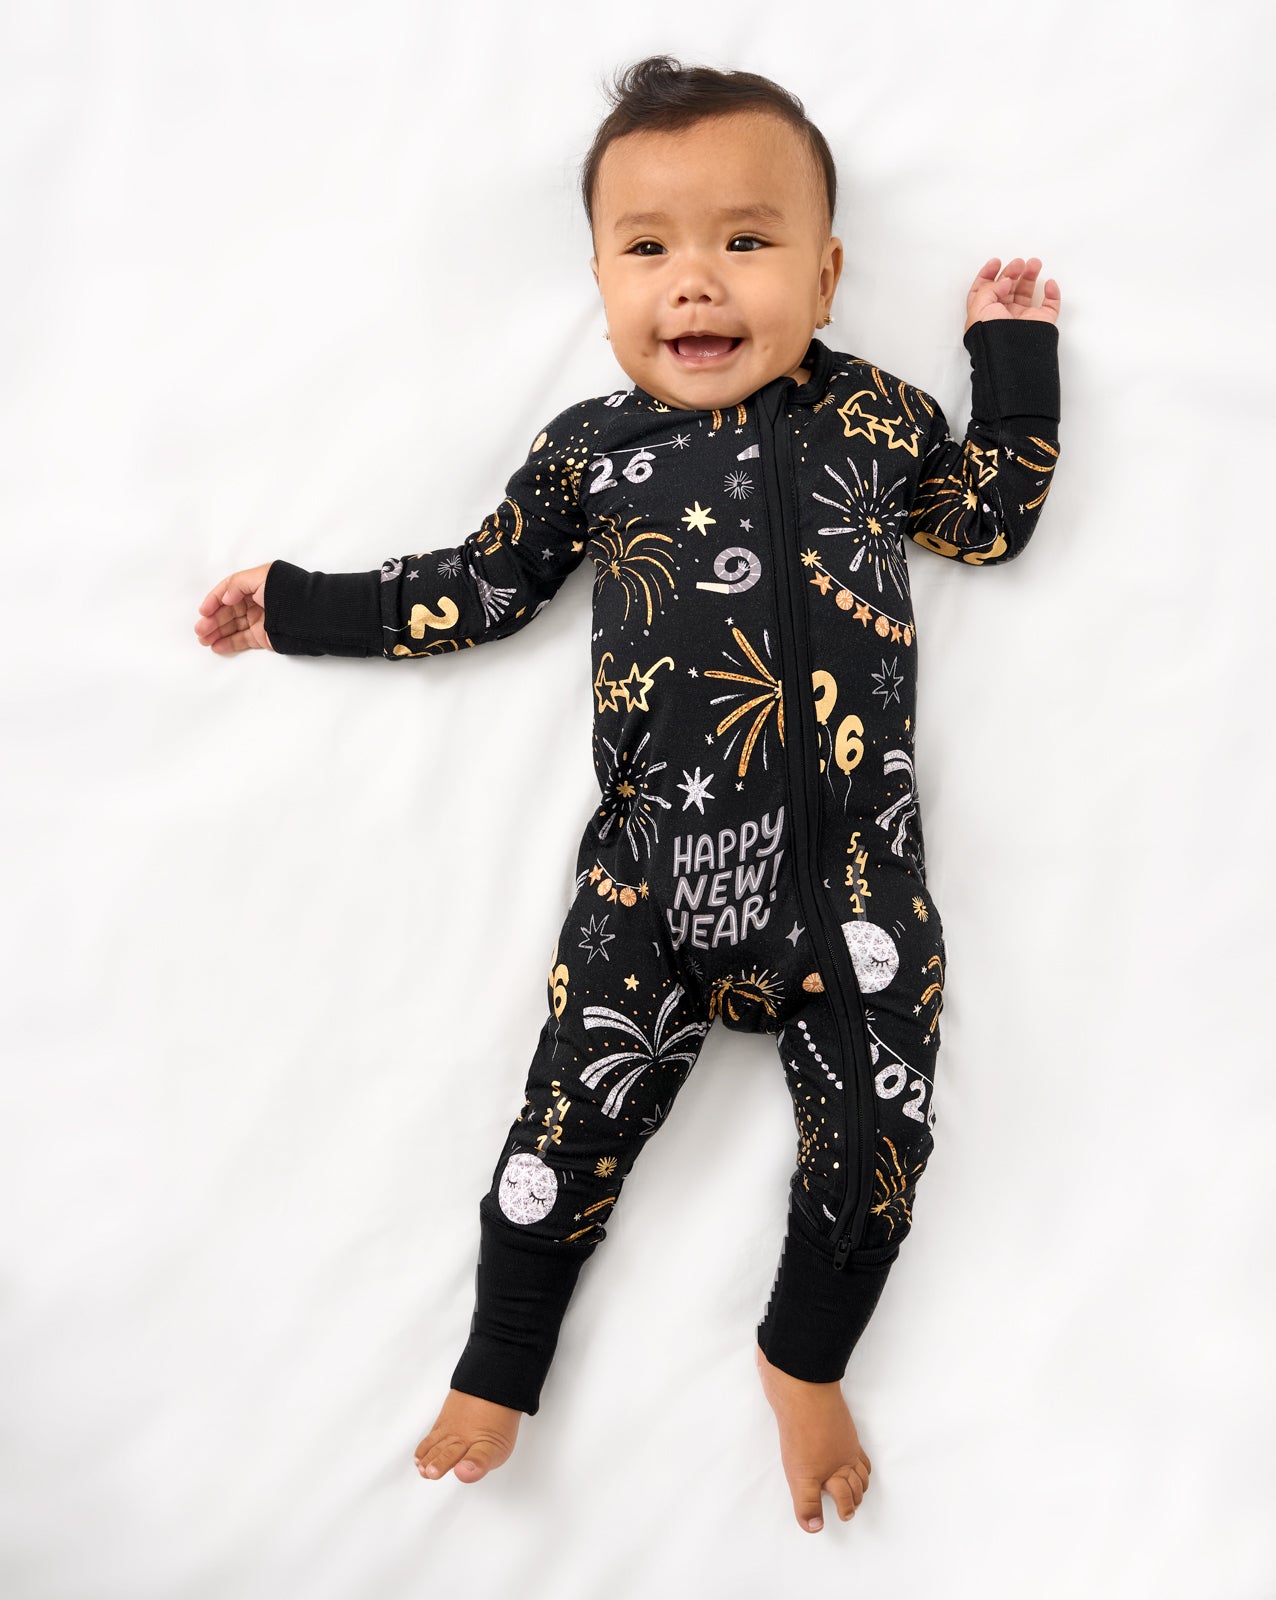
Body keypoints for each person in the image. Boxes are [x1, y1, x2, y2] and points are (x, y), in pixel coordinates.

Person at [193, 55, 1062, 1533]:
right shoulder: (591, 453)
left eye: (747, 239)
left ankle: (804, 1358)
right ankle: (500, 1363)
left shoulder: (879, 418)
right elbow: (475, 589)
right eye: (648, 247)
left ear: (827, 275)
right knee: (564, 1125)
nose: (696, 282)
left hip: (859, 893)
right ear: (600, 280)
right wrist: (298, 603)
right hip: (652, 889)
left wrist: (1010, 357)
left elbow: (989, 523)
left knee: (880, 1148)